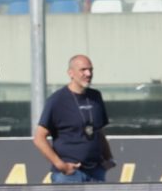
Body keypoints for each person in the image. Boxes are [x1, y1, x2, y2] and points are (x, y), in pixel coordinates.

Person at [32, 55, 114, 183]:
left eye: (91, 70)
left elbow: (98, 131)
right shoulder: (57, 100)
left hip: (96, 172)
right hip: (69, 175)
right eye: (83, 70)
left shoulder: (95, 97)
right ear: (71, 73)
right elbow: (39, 138)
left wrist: (108, 158)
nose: (88, 73)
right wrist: (61, 166)